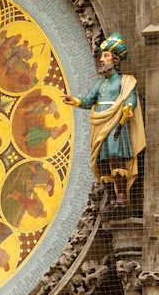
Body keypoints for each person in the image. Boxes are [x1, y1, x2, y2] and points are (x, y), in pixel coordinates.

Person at [62, 32, 146, 210]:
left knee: (117, 159)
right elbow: (88, 100)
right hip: (100, 125)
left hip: (116, 122)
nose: (102, 59)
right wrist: (75, 101)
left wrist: (128, 107)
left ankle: (122, 195)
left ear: (115, 60)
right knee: (101, 162)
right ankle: (111, 197)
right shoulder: (100, 84)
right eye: (102, 56)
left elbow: (131, 97)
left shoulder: (125, 81)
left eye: (106, 56)